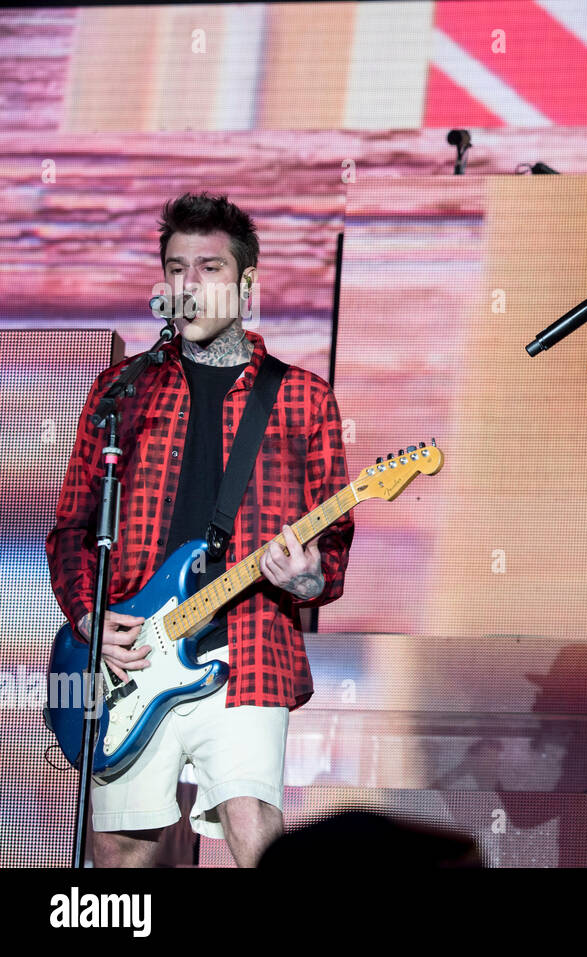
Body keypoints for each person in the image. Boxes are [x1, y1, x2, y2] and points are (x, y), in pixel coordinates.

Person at [46, 192, 354, 867]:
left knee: (257, 830)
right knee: (119, 847)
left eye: (210, 268)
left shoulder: (302, 396)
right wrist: (90, 618)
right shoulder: (119, 390)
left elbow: (332, 543)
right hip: (134, 653)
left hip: (248, 647)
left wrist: (308, 575)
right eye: (177, 267)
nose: (189, 284)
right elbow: (72, 526)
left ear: (247, 286)